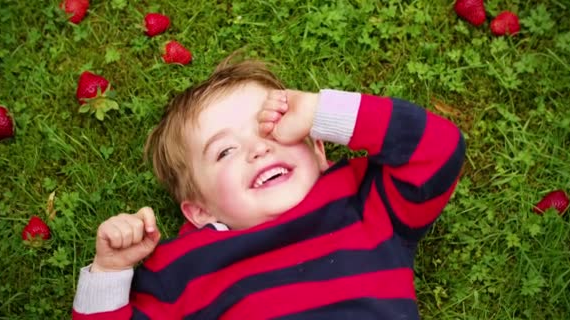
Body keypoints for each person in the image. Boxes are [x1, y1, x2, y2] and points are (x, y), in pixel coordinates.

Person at [72, 57, 465, 319]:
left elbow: (440, 150)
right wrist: (110, 271)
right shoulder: (181, 269)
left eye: (272, 127)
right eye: (225, 151)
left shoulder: (362, 200)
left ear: (317, 148)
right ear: (200, 211)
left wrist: (325, 112)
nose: (258, 148)